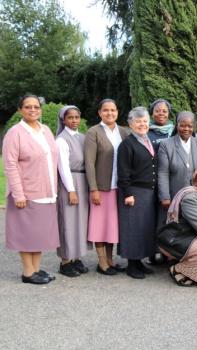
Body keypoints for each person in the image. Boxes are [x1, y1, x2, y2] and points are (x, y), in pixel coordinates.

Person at [3, 94, 59, 284]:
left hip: (47, 191)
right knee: (27, 234)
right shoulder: (15, 133)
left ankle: (36, 269)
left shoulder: (45, 130)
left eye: (36, 106)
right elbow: (10, 165)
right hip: (26, 193)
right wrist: (18, 193)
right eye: (28, 107)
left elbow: (52, 160)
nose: (33, 110)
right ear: (20, 109)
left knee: (39, 234)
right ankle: (28, 272)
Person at [85, 98, 129, 275]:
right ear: (99, 113)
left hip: (119, 188)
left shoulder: (124, 132)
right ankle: (102, 262)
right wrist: (93, 189)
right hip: (102, 188)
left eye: (113, 110)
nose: (109, 113)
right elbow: (89, 163)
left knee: (112, 227)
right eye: (106, 110)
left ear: (117, 112)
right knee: (99, 226)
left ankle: (110, 261)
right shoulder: (93, 132)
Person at [116, 107, 158, 279]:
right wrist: (127, 193)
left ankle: (139, 261)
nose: (142, 124)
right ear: (131, 124)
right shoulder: (127, 144)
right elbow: (123, 171)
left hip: (148, 192)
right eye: (138, 121)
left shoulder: (148, 141)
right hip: (134, 191)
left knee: (144, 228)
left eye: (145, 121)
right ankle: (131, 265)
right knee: (132, 228)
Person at [55, 105, 89, 277]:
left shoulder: (82, 137)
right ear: (63, 120)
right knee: (68, 222)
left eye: (77, 117)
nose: (74, 120)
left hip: (83, 181)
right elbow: (63, 168)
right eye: (70, 118)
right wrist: (71, 190)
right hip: (70, 183)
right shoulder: (61, 140)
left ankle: (75, 257)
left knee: (80, 221)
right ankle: (65, 261)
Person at [157, 111, 197, 217]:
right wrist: (165, 197)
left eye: (190, 126)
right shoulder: (166, 145)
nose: (186, 129)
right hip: (174, 196)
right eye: (182, 125)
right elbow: (163, 172)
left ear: (194, 126)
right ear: (177, 125)